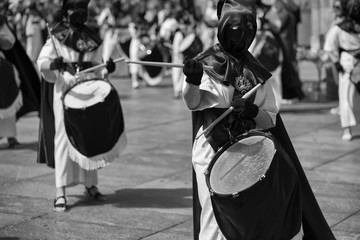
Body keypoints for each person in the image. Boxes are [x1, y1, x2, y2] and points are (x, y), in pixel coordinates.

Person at [182, 0, 336, 239]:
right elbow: (193, 103)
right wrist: (192, 81)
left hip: (250, 152)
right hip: (211, 151)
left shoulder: (257, 71)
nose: (241, 34)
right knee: (215, 218)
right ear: (222, 27)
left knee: (269, 205)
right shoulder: (205, 62)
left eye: (247, 28)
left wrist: (253, 111)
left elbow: (270, 120)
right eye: (234, 28)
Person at [36, 0, 126, 212]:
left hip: (89, 88)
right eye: (76, 9)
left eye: (83, 9)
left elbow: (98, 65)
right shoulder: (56, 35)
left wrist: (107, 67)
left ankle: (91, 184)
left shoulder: (91, 36)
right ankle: (60, 190)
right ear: (66, 12)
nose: (80, 13)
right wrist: (53, 65)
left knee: (89, 135)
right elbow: (42, 62)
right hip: (65, 90)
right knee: (63, 139)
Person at [323, 0, 360, 141]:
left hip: (355, 63)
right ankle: (347, 129)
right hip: (348, 65)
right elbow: (329, 46)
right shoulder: (339, 28)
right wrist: (337, 63)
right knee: (346, 97)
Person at [0, 14, 22, 148]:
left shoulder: (1, 22)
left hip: (2, 66)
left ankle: (10, 136)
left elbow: (10, 42)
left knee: (7, 94)